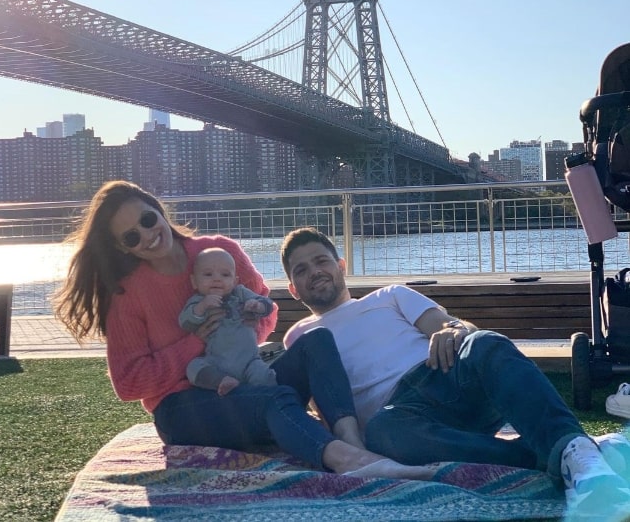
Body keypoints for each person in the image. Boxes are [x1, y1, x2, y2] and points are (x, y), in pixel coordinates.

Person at [53, 180, 432, 480]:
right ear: (124, 248)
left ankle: (355, 442)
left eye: (147, 219)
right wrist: (195, 344)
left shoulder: (220, 251)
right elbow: (128, 383)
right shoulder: (127, 295)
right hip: (186, 410)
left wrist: (247, 322)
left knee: (317, 340)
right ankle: (347, 462)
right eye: (131, 236)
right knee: (273, 400)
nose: (147, 234)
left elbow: (267, 312)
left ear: (157, 208)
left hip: (245, 380)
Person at [280, 227, 630, 517]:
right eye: (301, 270)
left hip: (444, 375)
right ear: (293, 289)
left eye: (321, 261)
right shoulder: (298, 338)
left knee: (486, 343)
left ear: (341, 265)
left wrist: (453, 329)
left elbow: (453, 327)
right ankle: (577, 454)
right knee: (384, 432)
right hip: (400, 419)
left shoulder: (390, 296)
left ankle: (571, 451)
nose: (314, 272)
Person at [179, 247, 277, 396]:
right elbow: (185, 322)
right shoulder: (198, 301)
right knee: (193, 367)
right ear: (194, 281)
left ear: (234, 281)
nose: (217, 279)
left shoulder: (240, 293)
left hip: (250, 361)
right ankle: (222, 382)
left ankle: (270, 397)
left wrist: (258, 306)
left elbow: (267, 304)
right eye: (208, 274)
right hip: (216, 363)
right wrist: (202, 306)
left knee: (264, 376)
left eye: (225, 274)